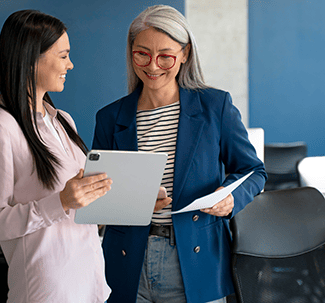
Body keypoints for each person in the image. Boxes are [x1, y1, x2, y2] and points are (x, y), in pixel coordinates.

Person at [92, 5, 267, 303]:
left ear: (185, 53)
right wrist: (135, 201)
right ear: (131, 52)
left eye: (166, 56)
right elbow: (98, 197)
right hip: (125, 260)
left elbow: (254, 171)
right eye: (142, 54)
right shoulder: (111, 117)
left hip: (196, 259)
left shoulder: (215, 106)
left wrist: (231, 199)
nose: (153, 65)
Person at [0, 10, 112, 303]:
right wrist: (60, 202)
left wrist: (132, 199)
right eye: (63, 56)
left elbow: (80, 208)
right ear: (31, 58)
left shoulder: (63, 121)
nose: (70, 65)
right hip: (46, 290)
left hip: (90, 283)